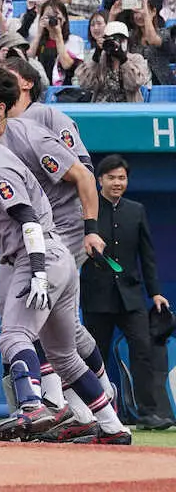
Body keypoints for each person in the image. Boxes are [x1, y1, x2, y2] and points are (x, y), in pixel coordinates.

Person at [0, 92, 129, 445]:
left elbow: (27, 219)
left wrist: (37, 272)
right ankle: (113, 426)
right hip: (57, 256)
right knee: (64, 356)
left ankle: (32, 405)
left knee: (13, 336)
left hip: (37, 257)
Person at [81, 155, 173, 430]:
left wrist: (155, 293)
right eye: (111, 178)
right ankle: (94, 411)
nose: (117, 183)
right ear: (99, 180)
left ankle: (148, 413)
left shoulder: (136, 210)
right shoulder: (87, 211)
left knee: (142, 350)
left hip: (131, 296)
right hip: (96, 296)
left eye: (122, 178)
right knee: (95, 354)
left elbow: (147, 256)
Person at [76, 20, 150, 102]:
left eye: (121, 39)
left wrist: (123, 60)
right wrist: (96, 57)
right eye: (112, 40)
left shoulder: (136, 59)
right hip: (101, 106)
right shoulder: (100, 60)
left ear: (127, 41)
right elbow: (85, 84)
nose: (117, 43)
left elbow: (135, 84)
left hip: (128, 107)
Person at [27, 0, 83, 85]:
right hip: (43, 87)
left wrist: (58, 34)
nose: (52, 19)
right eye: (48, 16)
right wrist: (39, 33)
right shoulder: (40, 42)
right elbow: (28, 60)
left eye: (55, 16)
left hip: (65, 88)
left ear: (64, 18)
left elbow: (66, 65)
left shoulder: (74, 40)